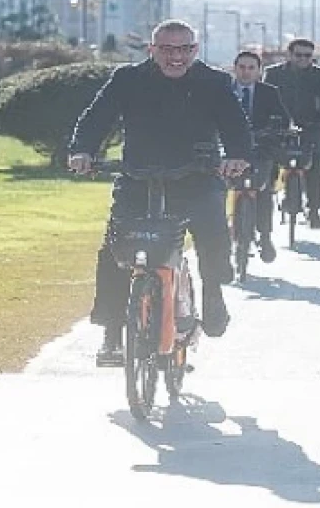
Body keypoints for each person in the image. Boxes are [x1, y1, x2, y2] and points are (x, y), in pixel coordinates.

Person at [68, 20, 252, 365]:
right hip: (140, 177)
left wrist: (237, 156)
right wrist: (83, 151)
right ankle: (112, 334)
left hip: (197, 177)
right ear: (152, 50)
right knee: (114, 250)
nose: (176, 57)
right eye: (167, 49)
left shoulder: (215, 83)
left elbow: (235, 124)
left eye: (184, 49)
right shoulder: (128, 80)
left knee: (213, 236)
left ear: (195, 51)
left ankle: (212, 291)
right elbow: (96, 118)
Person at [263, 39, 320, 230]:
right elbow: (265, 97)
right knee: (266, 164)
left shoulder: (319, 75)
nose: (303, 59)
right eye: (299, 55)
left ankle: (313, 210)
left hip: (309, 126)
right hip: (279, 127)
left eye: (308, 56)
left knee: (314, 168)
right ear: (289, 55)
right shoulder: (274, 73)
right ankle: (263, 207)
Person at [231, 50, 293, 262]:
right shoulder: (224, 90)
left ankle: (264, 236)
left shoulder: (269, 92)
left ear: (259, 71)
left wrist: (276, 130)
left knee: (264, 191)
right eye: (242, 67)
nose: (246, 72)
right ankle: (229, 233)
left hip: (262, 149)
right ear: (234, 68)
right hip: (230, 150)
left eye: (251, 68)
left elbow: (284, 119)